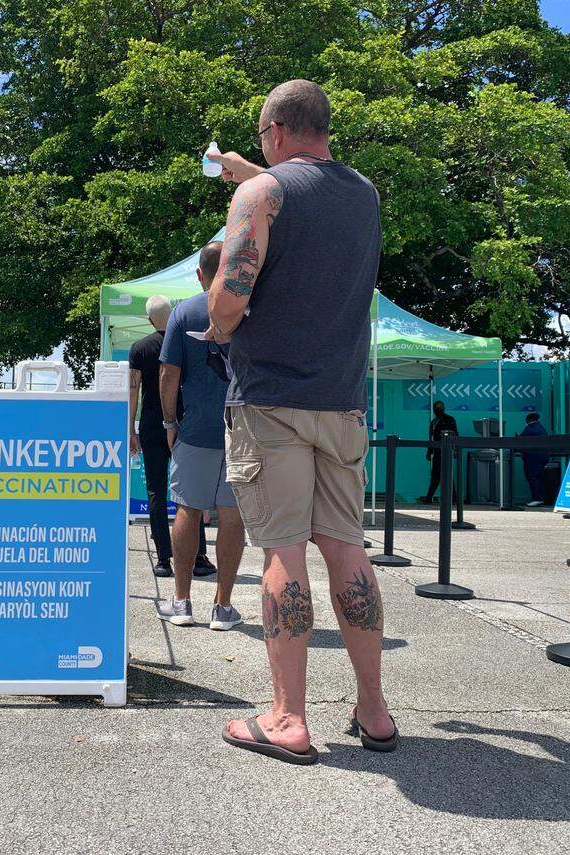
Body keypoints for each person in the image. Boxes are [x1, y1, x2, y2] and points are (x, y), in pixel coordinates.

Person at [205, 79, 396, 763]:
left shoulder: (258, 196)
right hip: (341, 401)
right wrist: (252, 173)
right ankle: (374, 709)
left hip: (271, 401)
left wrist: (218, 328)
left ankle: (287, 717)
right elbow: (304, 195)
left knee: (282, 549)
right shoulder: (365, 195)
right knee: (346, 546)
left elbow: (227, 300)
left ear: (276, 130)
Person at [156, 240, 245, 631]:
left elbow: (168, 375)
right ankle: (222, 607)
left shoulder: (183, 311)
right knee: (232, 515)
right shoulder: (249, 309)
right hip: (243, 429)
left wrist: (169, 423)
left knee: (188, 510)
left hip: (194, 429)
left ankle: (182, 602)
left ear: (199, 274)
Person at [128, 296, 213, 577]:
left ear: (150, 319)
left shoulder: (139, 348)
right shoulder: (184, 342)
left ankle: (164, 558)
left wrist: (130, 429)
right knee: (191, 492)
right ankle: (199, 557)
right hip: (184, 423)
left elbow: (133, 392)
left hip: (152, 425)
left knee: (156, 489)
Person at [419, 400, 459, 505]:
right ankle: (450, 498)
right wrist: (430, 451)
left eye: (439, 408)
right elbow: (432, 438)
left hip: (446, 452)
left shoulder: (449, 420)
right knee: (438, 475)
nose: (438, 410)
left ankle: (433, 498)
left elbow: (455, 435)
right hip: (437, 452)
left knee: (443, 475)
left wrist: (455, 450)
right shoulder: (434, 422)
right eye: (437, 409)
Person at [519, 412, 549, 507]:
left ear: (528, 420)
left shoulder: (530, 428)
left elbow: (521, 440)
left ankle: (537, 498)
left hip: (533, 458)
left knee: (532, 477)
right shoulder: (541, 428)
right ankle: (542, 498)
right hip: (542, 457)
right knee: (539, 478)